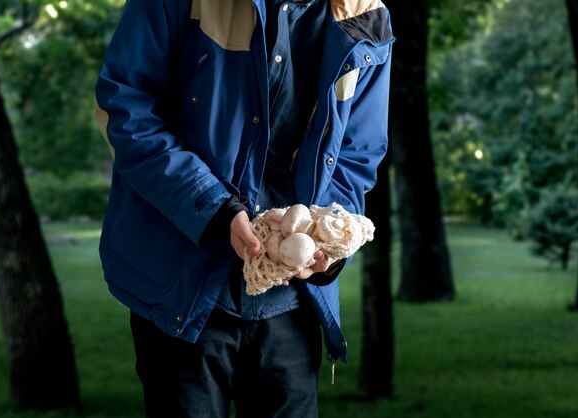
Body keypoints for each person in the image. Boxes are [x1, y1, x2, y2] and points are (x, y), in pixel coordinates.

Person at [94, 0, 394, 416]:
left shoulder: (366, 14)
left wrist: (325, 239)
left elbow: (357, 155)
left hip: (291, 300)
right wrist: (216, 208)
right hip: (180, 281)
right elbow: (125, 111)